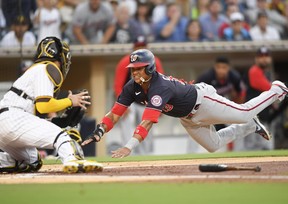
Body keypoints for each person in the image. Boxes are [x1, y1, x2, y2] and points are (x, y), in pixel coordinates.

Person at [82, 49, 288, 158]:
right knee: (214, 145)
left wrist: (128, 147)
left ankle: (276, 90)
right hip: (187, 117)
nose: (134, 72)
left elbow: (147, 122)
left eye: (139, 68)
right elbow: (115, 113)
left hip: (203, 101)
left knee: (243, 112)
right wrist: (100, 130)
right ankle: (251, 126)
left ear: (151, 68)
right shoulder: (131, 86)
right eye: (132, 68)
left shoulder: (159, 86)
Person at [0, 36, 103, 173]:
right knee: (62, 136)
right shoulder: (48, 68)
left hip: (7, 122)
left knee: (32, 162)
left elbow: (35, 118)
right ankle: (73, 160)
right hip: (14, 117)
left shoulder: (35, 70)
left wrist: (58, 121)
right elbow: (44, 106)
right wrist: (70, 101)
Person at [113, 36, 164, 155]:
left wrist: (159, 105)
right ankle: (127, 152)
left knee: (147, 125)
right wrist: (123, 105)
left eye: (143, 46)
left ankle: (146, 155)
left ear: (147, 48)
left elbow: (161, 84)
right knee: (127, 124)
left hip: (146, 99)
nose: (140, 49)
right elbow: (118, 85)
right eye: (138, 47)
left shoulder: (155, 61)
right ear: (133, 49)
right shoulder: (125, 62)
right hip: (130, 100)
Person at [242, 46, 277, 150]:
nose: (264, 58)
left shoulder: (268, 72)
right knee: (253, 146)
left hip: (264, 114)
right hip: (254, 115)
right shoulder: (254, 70)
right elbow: (269, 88)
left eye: (266, 56)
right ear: (256, 59)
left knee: (266, 145)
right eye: (261, 56)